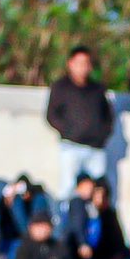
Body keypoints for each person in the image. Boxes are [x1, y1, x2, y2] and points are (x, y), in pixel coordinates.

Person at [47, 46, 117, 192]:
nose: (83, 67)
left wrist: (102, 135)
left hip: (96, 149)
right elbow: (52, 115)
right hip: (71, 147)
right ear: (70, 64)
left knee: (99, 189)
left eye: (86, 63)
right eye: (79, 63)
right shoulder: (61, 87)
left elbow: (108, 116)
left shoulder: (97, 89)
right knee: (68, 188)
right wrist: (69, 131)